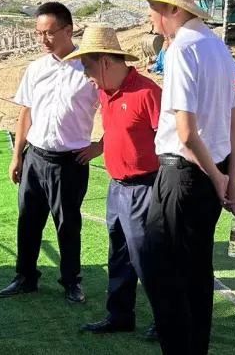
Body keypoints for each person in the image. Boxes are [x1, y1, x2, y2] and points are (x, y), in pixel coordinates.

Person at [124, 0, 235, 354]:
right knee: (196, 274)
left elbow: (186, 132)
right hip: (212, 174)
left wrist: (218, 178)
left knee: (167, 274)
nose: (149, 15)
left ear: (171, 9)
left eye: (152, 7)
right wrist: (229, 179)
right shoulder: (218, 47)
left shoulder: (182, 49)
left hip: (184, 176)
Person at [63, 24, 161, 339]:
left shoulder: (147, 92)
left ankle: (167, 320)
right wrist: (100, 146)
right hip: (116, 186)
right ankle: (119, 315)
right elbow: (117, 129)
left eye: (88, 67)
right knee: (118, 253)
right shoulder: (105, 92)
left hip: (145, 187)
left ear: (105, 62)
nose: (86, 76)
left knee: (147, 258)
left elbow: (169, 139)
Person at [0, 2, 98, 304]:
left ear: (69, 30)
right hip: (35, 157)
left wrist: (99, 146)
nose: (43, 40)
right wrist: (17, 155)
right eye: (38, 33)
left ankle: (71, 281)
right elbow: (25, 113)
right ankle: (25, 277)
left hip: (70, 162)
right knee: (28, 221)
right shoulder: (36, 68)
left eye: (49, 33)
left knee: (68, 225)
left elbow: (115, 110)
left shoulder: (89, 69)